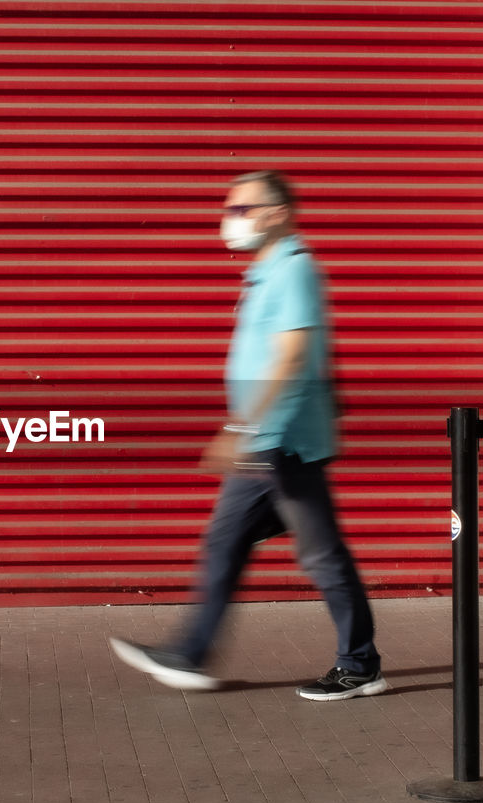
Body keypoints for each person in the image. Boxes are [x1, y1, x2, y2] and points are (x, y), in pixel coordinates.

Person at [110, 170, 386, 701]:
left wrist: (240, 426)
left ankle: (360, 664)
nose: (232, 219)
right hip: (267, 443)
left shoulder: (294, 271)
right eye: (229, 208)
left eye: (244, 209)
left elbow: (290, 356)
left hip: (282, 445)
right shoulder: (266, 274)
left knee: (321, 556)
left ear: (278, 212)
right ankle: (192, 654)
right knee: (230, 541)